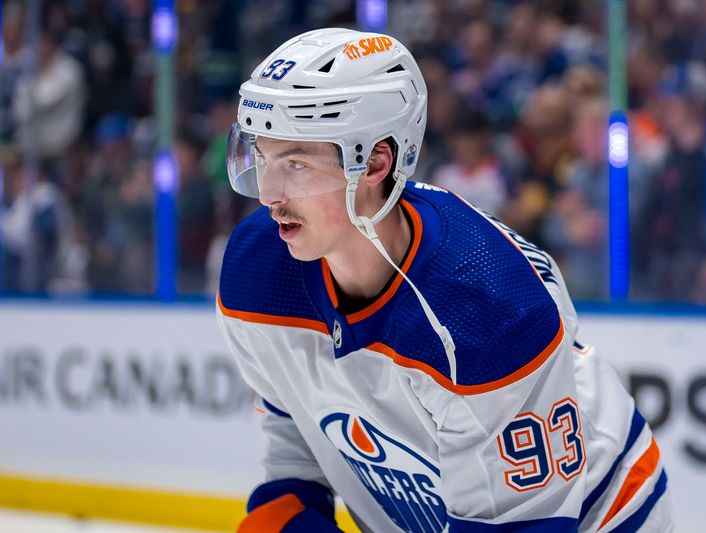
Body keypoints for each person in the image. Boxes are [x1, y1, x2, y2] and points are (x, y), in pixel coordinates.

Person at [217, 28, 671, 532]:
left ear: (375, 163)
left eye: (297, 163)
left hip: (603, 517)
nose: (269, 195)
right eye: (262, 157)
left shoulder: (486, 308)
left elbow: (521, 526)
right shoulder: (255, 271)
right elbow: (296, 434)